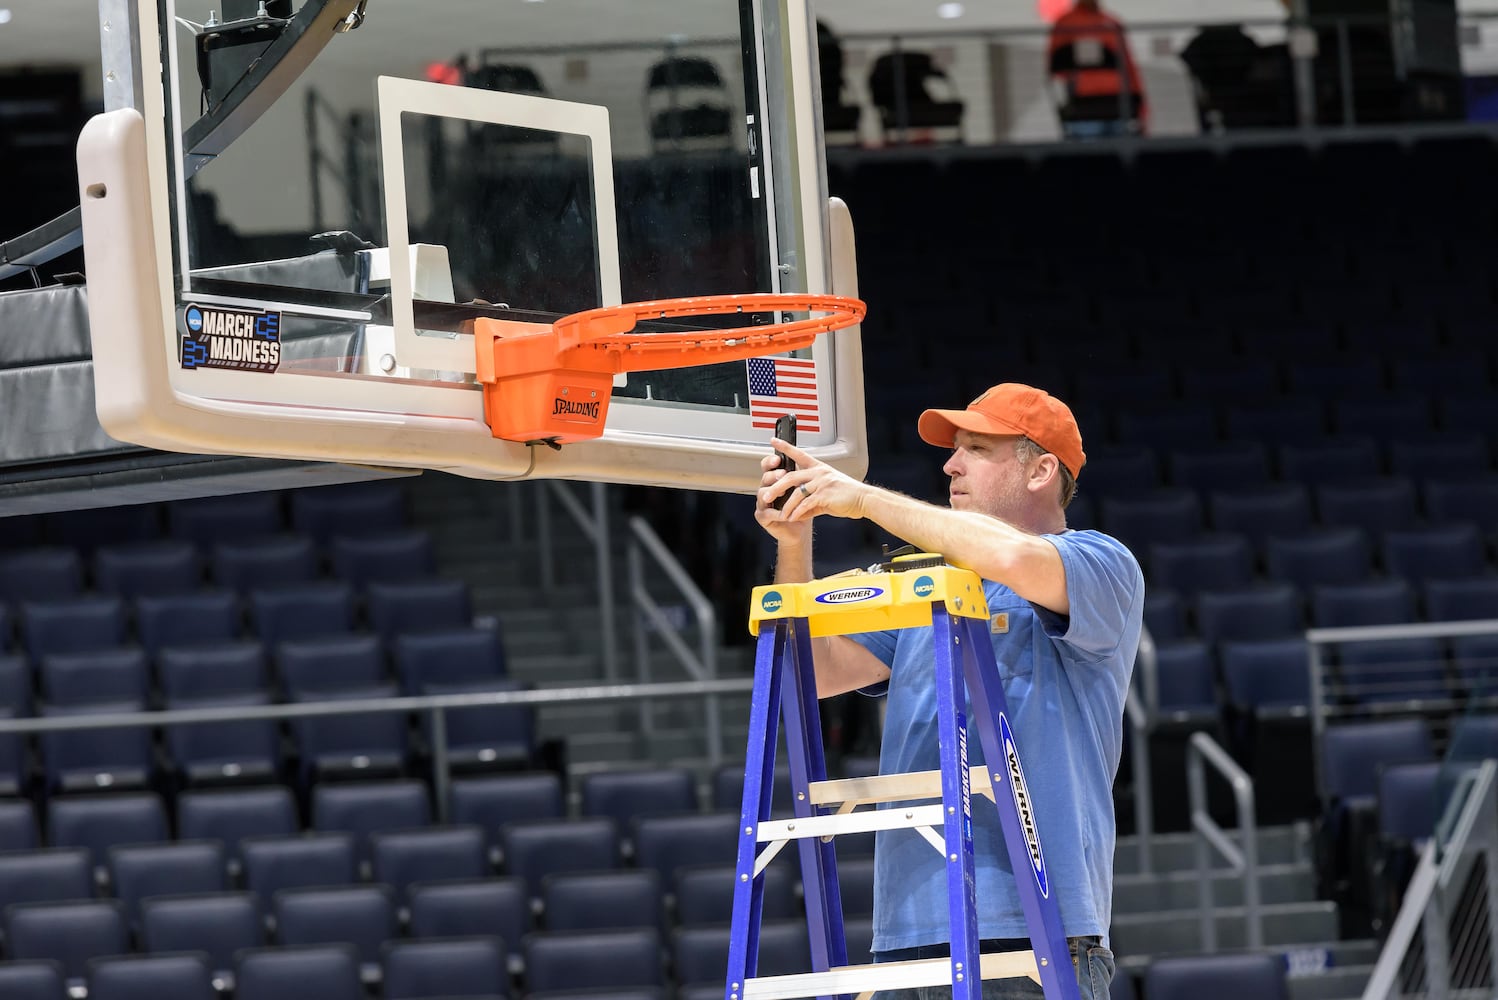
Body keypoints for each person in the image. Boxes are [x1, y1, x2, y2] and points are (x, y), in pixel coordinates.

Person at [756, 383, 1144, 999]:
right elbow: (813, 677)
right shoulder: (926, 581)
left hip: (1033, 934)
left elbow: (1017, 560)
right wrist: (795, 540)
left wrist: (860, 499)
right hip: (905, 940)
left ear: (1042, 470)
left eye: (976, 449)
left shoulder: (1100, 562)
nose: (950, 465)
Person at [1046, 0, 1148, 138]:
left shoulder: (1111, 22)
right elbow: (1056, 65)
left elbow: (1128, 65)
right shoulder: (1066, 23)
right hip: (1083, 104)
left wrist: (1140, 104)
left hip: (1117, 102)